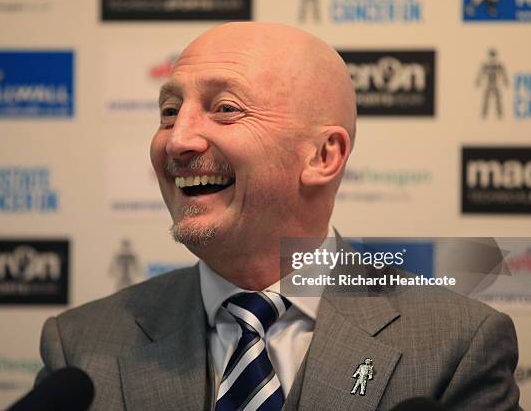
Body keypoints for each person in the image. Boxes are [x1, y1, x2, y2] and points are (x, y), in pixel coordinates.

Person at [36, 22, 521, 410]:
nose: (178, 139)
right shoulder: (79, 346)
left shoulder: (457, 346)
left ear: (323, 156)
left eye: (224, 109)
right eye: (168, 111)